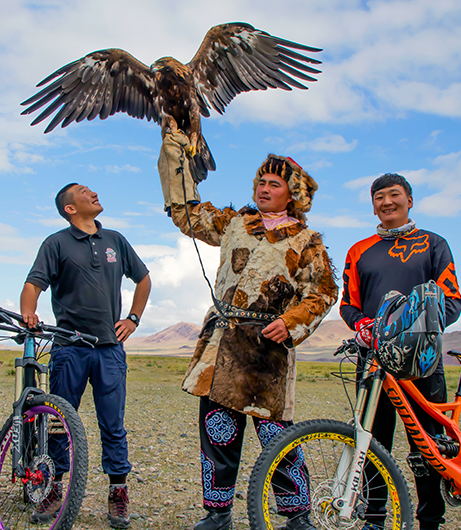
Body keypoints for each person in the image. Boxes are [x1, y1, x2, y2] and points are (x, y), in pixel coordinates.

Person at [158, 131, 339, 530]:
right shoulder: (235, 223)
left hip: (268, 348)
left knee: (278, 439)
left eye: (274, 183)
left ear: (291, 193)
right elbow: (186, 213)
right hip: (222, 345)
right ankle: (217, 514)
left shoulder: (307, 240)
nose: (263, 188)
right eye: (260, 181)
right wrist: (174, 154)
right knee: (218, 433)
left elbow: (324, 291)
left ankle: (297, 516)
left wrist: (290, 323)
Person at [20, 183, 151, 529]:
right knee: (58, 423)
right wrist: (29, 312)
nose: (94, 192)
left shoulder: (116, 241)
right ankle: (52, 489)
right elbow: (33, 283)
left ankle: (118, 493)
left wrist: (133, 319)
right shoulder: (56, 243)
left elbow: (143, 279)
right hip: (68, 349)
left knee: (113, 424)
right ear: (70, 208)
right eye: (83, 191)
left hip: (109, 349)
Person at [340, 173, 461, 530]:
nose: (386, 201)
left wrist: (415, 330)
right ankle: (374, 519)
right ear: (373, 205)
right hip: (374, 361)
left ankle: (430, 522)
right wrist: (363, 326)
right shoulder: (358, 251)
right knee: (372, 445)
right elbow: (349, 305)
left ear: (410, 200)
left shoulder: (434, 244)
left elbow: (451, 301)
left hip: (422, 363)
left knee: (428, 450)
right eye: (379, 197)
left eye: (395, 194)